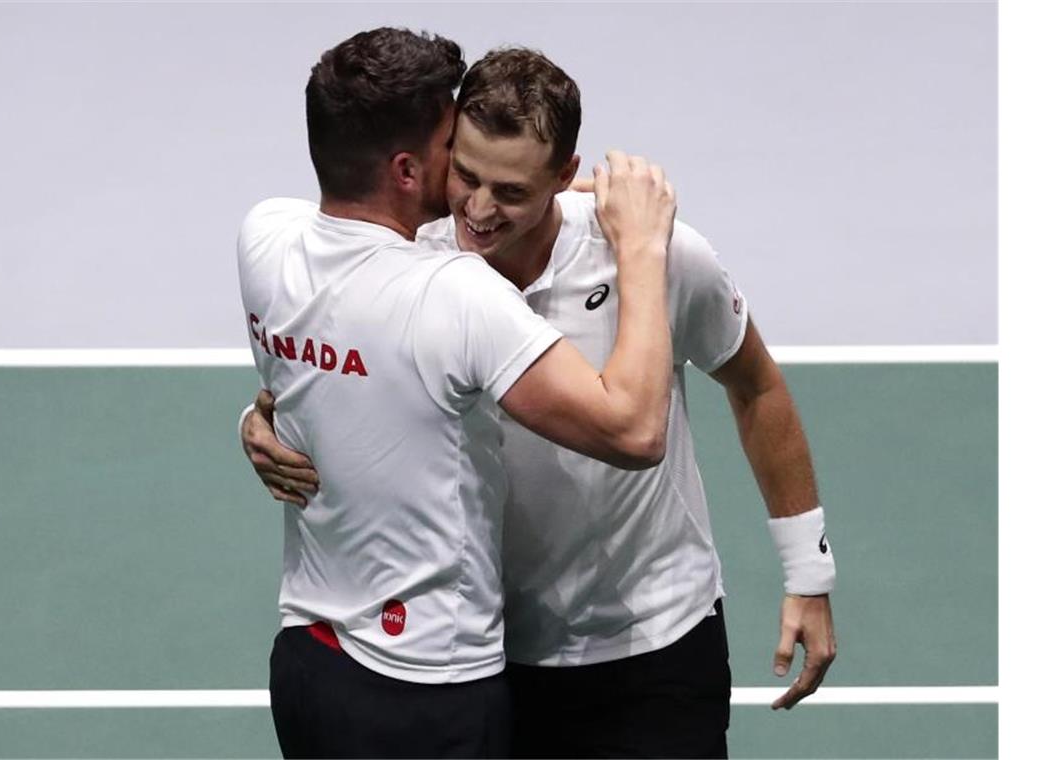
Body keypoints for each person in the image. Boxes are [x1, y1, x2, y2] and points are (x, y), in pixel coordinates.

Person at [243, 46, 838, 758]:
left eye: (512, 191)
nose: (480, 210)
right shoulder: (416, 255)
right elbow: (327, 354)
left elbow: (756, 385)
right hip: (500, 657)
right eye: (465, 175)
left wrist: (809, 574)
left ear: (564, 177)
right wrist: (262, 418)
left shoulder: (658, 256)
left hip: (651, 646)